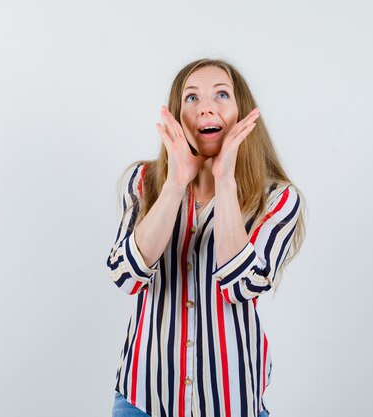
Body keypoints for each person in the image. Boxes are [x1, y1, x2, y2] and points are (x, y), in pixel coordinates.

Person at [106, 58, 306, 417]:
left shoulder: (277, 199)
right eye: (192, 98)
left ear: (242, 113)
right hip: (143, 400)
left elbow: (241, 286)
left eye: (221, 95)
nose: (206, 107)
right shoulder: (144, 182)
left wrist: (226, 182)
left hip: (231, 404)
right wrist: (175, 183)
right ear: (177, 116)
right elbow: (127, 275)